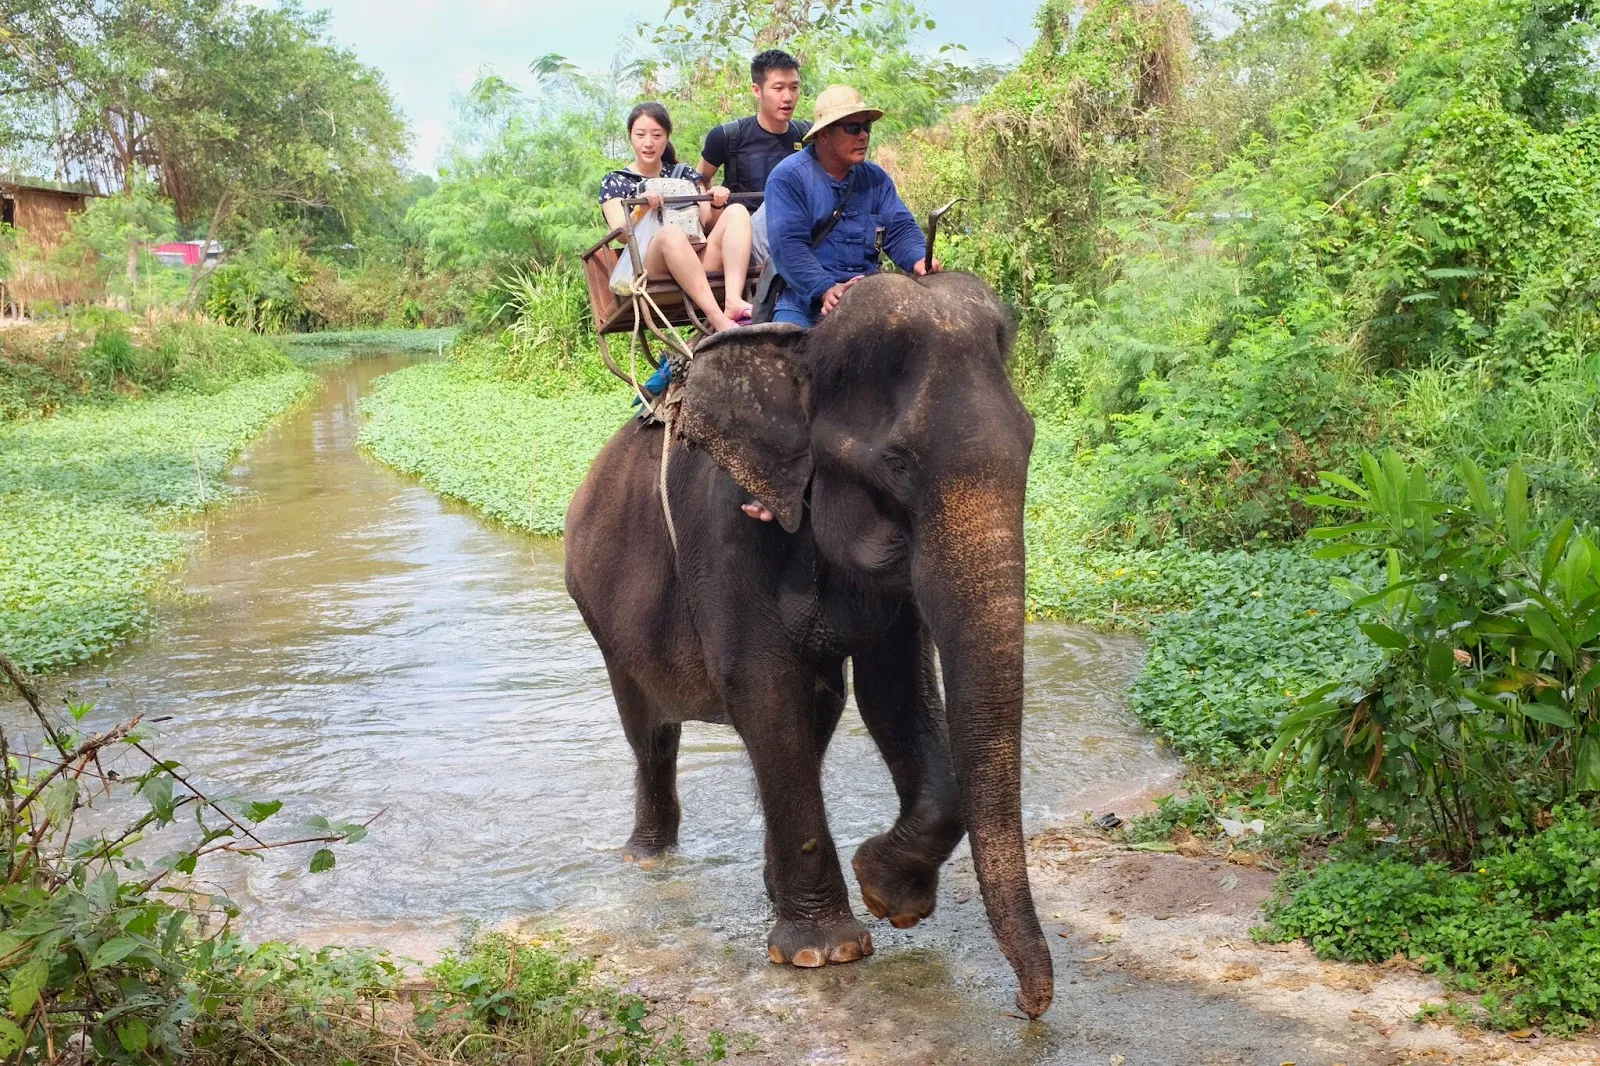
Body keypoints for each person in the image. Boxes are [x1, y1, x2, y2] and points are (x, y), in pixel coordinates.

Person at [763, 84, 939, 329]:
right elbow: (789, 247)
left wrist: (919, 258)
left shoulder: (876, 178)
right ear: (824, 134)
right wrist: (825, 290)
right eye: (853, 128)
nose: (863, 136)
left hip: (870, 299)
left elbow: (898, 228)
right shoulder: (788, 178)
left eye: (866, 127)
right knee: (787, 357)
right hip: (806, 304)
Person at [600, 102, 753, 339]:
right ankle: (717, 317)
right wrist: (641, 207)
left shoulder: (684, 174)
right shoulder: (616, 181)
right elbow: (620, 233)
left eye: (656, 135)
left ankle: (733, 300)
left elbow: (706, 221)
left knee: (738, 211)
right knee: (671, 233)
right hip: (652, 265)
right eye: (640, 135)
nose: (648, 142)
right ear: (630, 137)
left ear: (667, 137)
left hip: (696, 256)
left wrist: (716, 202)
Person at [696, 49, 811, 265]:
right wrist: (712, 214)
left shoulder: (807, 136)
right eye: (778, 88)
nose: (787, 97)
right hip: (743, 239)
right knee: (775, 204)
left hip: (796, 234)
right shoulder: (727, 136)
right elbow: (698, 180)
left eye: (794, 88)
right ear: (756, 90)